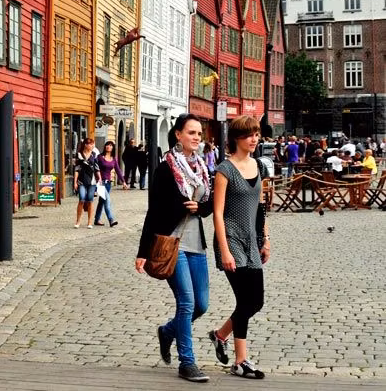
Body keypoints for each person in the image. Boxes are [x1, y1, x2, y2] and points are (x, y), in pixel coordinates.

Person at [136, 113, 214, 383]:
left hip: (196, 245)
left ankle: (168, 332)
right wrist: (143, 252)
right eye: (191, 133)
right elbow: (154, 211)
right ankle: (187, 362)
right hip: (172, 243)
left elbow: (209, 203)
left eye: (199, 134)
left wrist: (200, 208)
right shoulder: (166, 168)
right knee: (187, 302)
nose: (196, 138)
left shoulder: (201, 166)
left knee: (201, 305)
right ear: (178, 135)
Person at [209, 115, 270, 379]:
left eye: (256, 134)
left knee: (256, 301)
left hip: (251, 240)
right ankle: (240, 361)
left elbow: (260, 208)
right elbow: (217, 213)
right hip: (231, 239)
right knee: (245, 300)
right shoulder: (225, 170)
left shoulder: (258, 166)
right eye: (249, 135)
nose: (254, 139)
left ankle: (219, 335)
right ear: (236, 138)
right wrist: (225, 250)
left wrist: (265, 239)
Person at [95, 141, 128, 226]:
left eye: (110, 145)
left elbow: (118, 170)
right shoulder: (100, 157)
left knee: (101, 201)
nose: (108, 147)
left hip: (108, 183)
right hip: (100, 182)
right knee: (107, 200)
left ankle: (96, 219)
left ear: (113, 147)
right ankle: (111, 220)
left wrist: (123, 182)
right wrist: (96, 180)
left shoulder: (114, 158)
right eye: (107, 145)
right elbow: (95, 169)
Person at [73, 139, 99, 228]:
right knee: (82, 199)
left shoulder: (94, 155)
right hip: (81, 180)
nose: (91, 146)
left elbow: (96, 168)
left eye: (92, 144)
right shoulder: (79, 155)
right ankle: (78, 221)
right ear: (85, 145)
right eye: (89, 144)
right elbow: (77, 168)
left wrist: (100, 178)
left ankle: (90, 222)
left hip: (92, 180)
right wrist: (75, 182)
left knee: (90, 200)